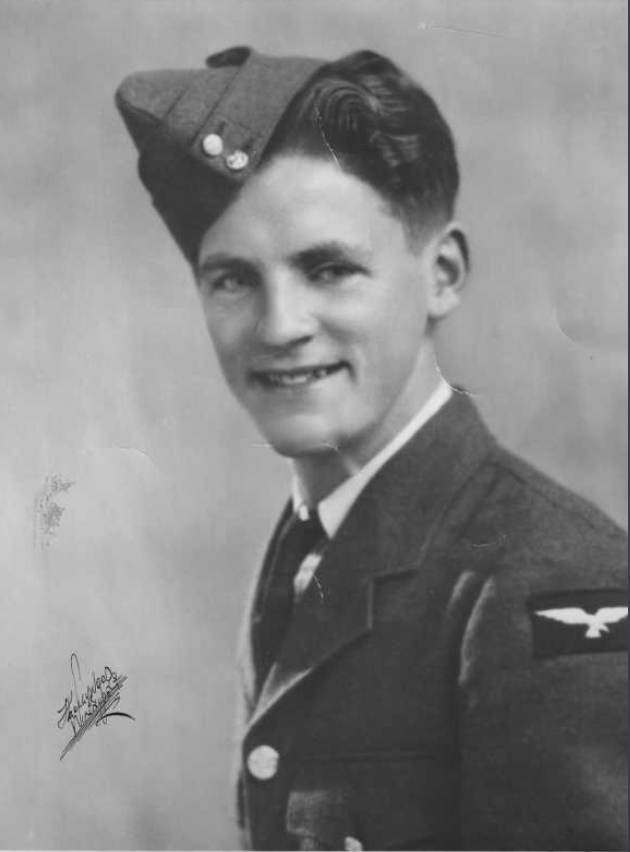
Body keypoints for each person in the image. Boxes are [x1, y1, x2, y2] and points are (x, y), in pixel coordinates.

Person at [115, 46, 627, 851]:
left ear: (442, 275)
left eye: (329, 269)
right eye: (233, 279)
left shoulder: (545, 579)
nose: (279, 325)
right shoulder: (309, 546)